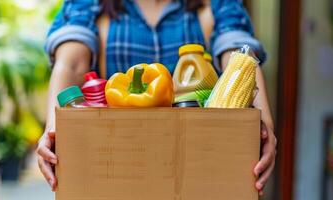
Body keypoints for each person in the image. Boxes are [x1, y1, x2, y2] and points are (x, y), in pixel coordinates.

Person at [36, 0, 277, 196]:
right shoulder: (90, 5)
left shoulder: (216, 5)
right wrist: (52, 130)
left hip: (195, 170)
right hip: (119, 167)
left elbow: (239, 56)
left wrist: (264, 123)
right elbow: (71, 63)